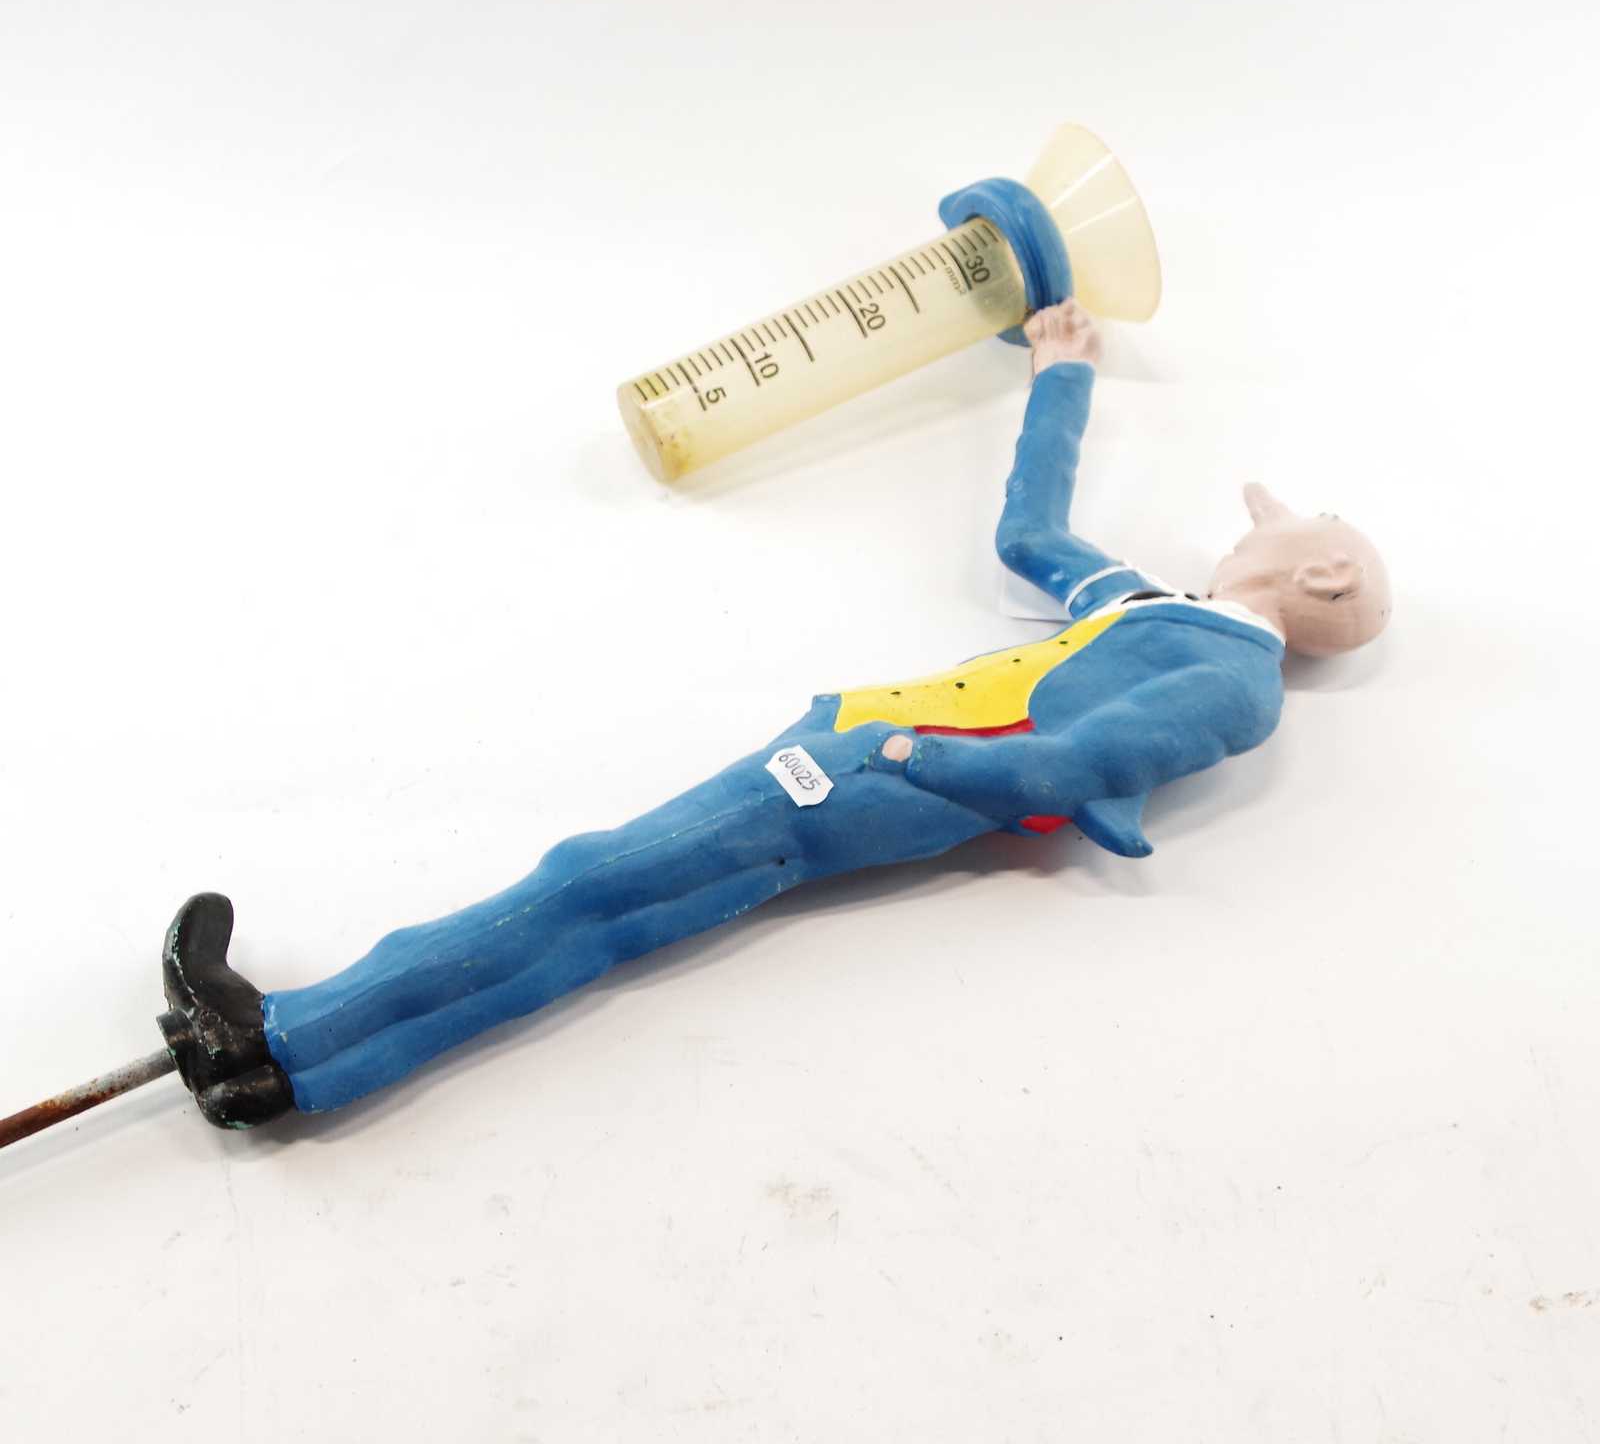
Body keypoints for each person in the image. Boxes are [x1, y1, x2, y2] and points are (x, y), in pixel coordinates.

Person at [158, 302, 1392, 1127]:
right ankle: (289, 1067)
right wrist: (1059, 374)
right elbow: (1031, 535)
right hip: (858, 749)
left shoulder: (1232, 682)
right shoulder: (1150, 610)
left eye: (1282, 527)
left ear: (1325, 576)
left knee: (596, 878)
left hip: (880, 768)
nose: (1252, 526)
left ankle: (285, 1036)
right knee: (617, 910)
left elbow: (1068, 766)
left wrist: (901, 754)